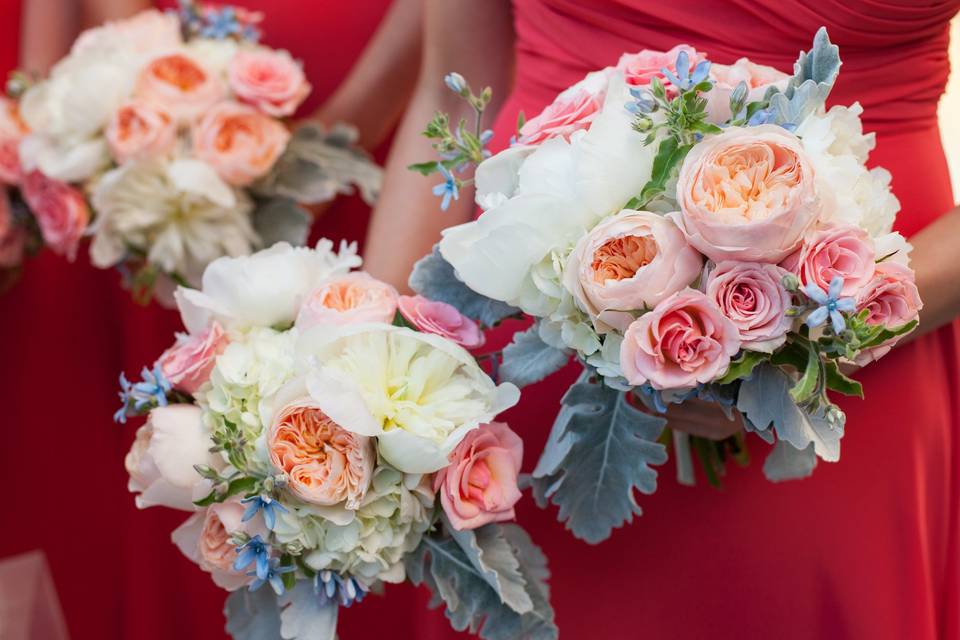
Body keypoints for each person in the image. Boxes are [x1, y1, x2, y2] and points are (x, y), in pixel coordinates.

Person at [363, 1, 960, 638]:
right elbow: (452, 93)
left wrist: (804, 334)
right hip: (531, 336)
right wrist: (363, 356)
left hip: (853, 342)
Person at [0, 1, 427, 637]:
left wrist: (294, 157)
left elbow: (454, 50)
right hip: (159, 193)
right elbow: (45, 70)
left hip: (361, 174)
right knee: (169, 475)